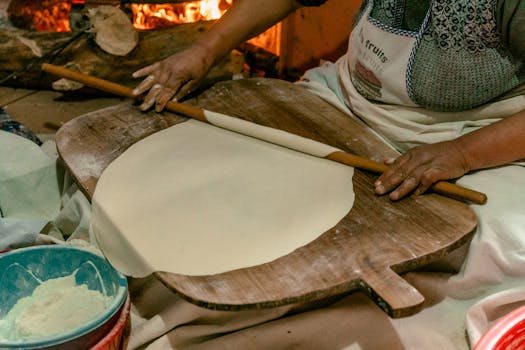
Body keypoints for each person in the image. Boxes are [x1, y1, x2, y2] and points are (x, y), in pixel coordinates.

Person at [128, 1, 525, 348]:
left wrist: (462, 154)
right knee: (233, 182)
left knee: (481, 243)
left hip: (474, 134)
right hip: (350, 101)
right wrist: (204, 50)